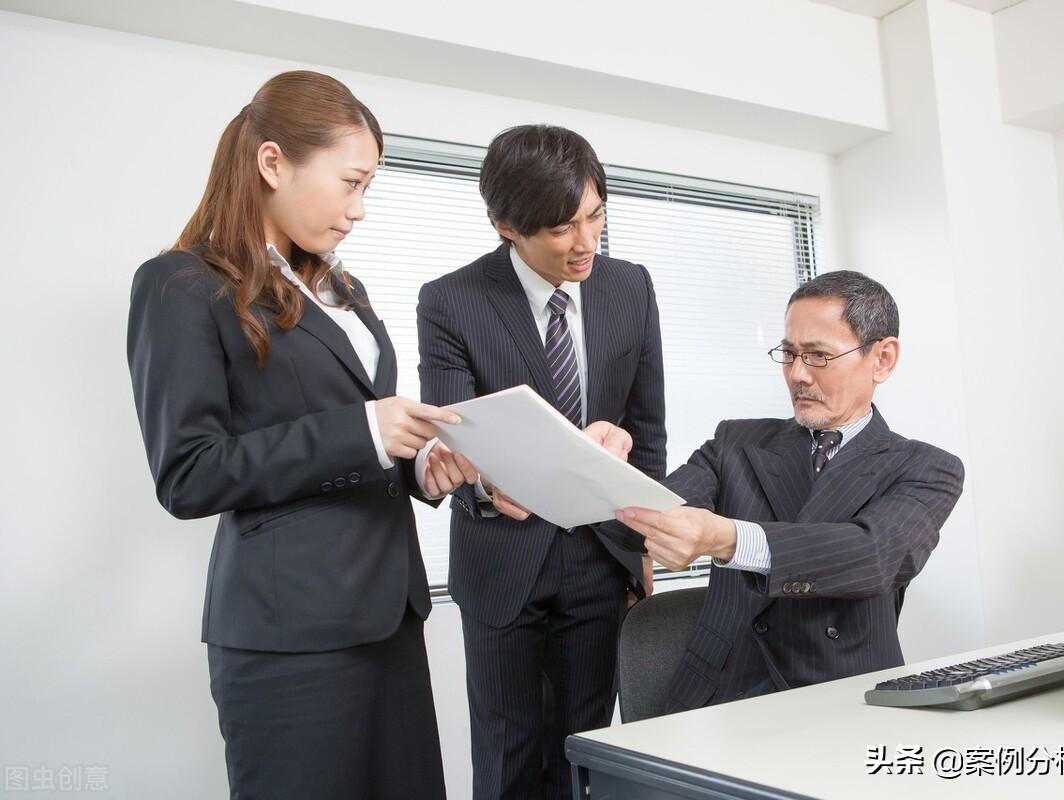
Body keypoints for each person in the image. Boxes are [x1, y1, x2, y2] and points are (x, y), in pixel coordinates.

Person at [126, 70, 473, 799]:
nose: (359, 209)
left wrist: (420, 464)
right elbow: (188, 473)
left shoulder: (344, 289)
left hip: (390, 621)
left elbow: (360, 428)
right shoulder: (180, 284)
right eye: (351, 183)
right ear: (272, 162)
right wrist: (363, 432)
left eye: (367, 187)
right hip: (290, 637)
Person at [415, 124, 667, 799]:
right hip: (503, 558)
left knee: (585, 758)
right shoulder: (451, 301)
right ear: (507, 226)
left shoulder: (631, 287)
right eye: (561, 228)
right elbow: (453, 435)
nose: (586, 243)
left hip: (601, 557)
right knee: (510, 762)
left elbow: (648, 428)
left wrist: (643, 540)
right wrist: (482, 484)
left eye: (595, 215)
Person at [612, 270, 965, 712]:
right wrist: (603, 461)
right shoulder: (736, 443)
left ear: (882, 358)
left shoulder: (926, 467)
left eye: (818, 356)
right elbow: (642, 520)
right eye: (789, 354)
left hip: (848, 699)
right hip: (721, 696)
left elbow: (873, 556)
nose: (798, 375)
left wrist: (728, 538)